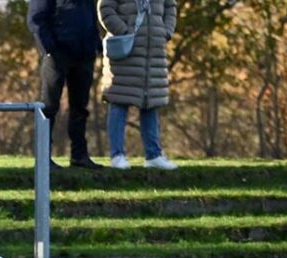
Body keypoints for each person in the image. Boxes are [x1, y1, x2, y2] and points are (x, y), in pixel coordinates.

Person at [98, 0, 178, 170]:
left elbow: (170, 6)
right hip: (125, 49)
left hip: (153, 52)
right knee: (119, 101)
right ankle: (117, 155)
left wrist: (166, 31)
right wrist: (124, 31)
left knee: (151, 102)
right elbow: (105, 9)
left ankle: (153, 155)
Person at [27, 0, 104, 169]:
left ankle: (79, 156)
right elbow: (36, 18)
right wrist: (48, 49)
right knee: (48, 107)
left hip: (84, 54)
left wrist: (96, 44)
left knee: (80, 108)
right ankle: (43, 157)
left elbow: (90, 17)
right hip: (57, 54)